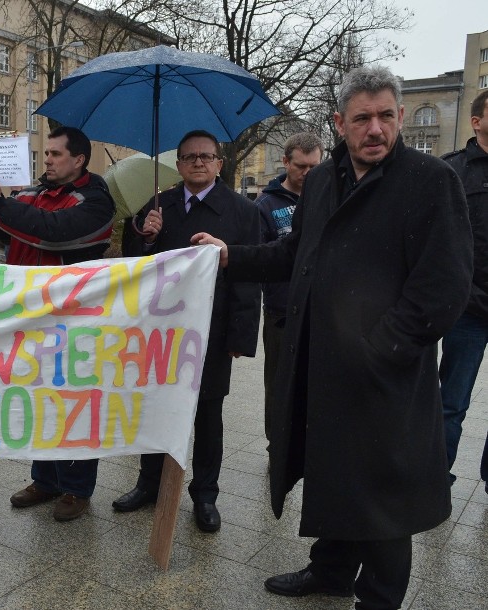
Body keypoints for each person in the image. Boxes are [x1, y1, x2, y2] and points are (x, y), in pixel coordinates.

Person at [193, 66, 472, 609]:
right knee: (336, 473)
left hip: (385, 371)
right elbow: (295, 253)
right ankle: (332, 570)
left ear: (396, 119)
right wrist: (229, 256)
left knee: (384, 495)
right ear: (339, 123)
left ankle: (380, 596)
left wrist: (381, 349)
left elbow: (443, 285)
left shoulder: (430, 180)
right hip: (323, 364)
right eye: (363, 118)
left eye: (386, 116)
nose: (376, 129)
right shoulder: (321, 180)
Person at [0, 126, 114, 521]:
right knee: (38, 399)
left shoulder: (95, 200)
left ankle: (76, 488)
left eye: (56, 154)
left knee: (72, 401)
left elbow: (53, 234)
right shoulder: (30, 193)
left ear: (79, 160)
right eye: (45, 154)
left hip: (74, 322)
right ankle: (45, 479)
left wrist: (2, 205)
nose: (47, 160)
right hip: (27, 319)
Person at [111, 130, 260, 533]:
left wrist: (241, 337)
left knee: (208, 417)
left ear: (219, 163)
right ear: (178, 164)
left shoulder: (241, 211)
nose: (198, 162)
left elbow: (249, 277)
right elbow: (133, 268)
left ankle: (205, 495)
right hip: (162, 333)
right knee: (156, 409)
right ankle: (149, 483)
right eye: (190, 156)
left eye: (206, 156)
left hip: (211, 332)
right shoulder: (158, 206)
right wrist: (146, 237)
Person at [255, 132, 323, 447]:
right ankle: (278, 443)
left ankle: (311, 442)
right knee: (280, 384)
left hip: (322, 308)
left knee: (318, 383)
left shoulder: (328, 196)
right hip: (282, 310)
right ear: (285, 162)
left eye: (314, 166)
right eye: (301, 166)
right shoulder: (265, 205)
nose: (308, 173)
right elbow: (261, 257)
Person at [439, 89, 488, 494]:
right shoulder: (451, 171)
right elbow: (441, 245)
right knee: (451, 402)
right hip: (466, 309)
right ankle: (435, 478)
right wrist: (466, 293)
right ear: (476, 121)